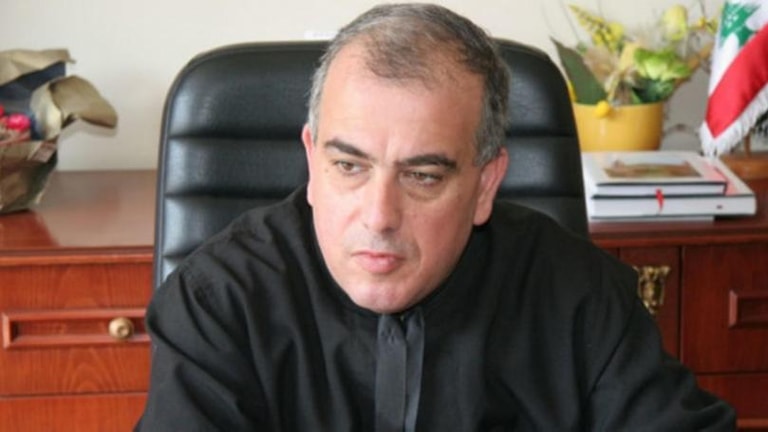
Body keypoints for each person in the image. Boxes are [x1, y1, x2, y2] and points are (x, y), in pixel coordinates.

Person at [135, 3, 736, 431]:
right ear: (312, 161)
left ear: (486, 185)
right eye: (349, 166)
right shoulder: (219, 302)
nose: (379, 215)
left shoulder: (580, 295)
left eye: (422, 176)